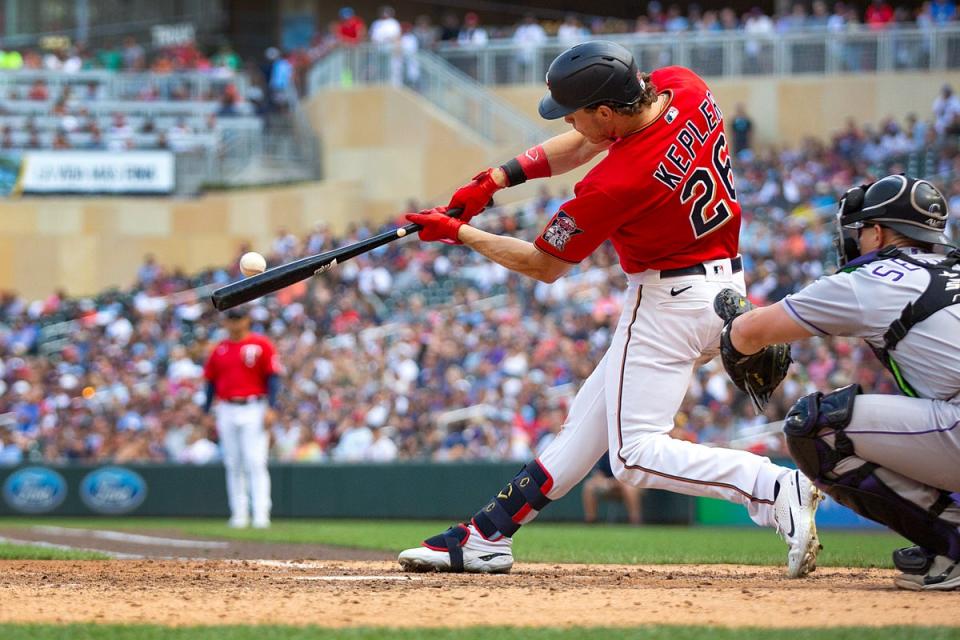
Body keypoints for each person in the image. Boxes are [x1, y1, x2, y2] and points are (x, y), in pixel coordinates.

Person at [397, 41, 821, 577]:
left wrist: (460, 233)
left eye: (577, 113)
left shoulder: (614, 181)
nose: (571, 124)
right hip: (723, 289)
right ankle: (487, 534)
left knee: (634, 454)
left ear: (604, 111)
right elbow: (583, 143)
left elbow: (543, 265)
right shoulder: (684, 87)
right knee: (588, 424)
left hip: (666, 302)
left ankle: (774, 487)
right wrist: (496, 179)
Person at [716, 174, 960, 591]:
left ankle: (952, 545)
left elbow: (750, 334)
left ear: (879, 232)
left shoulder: (876, 277)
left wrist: (734, 322)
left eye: (862, 229)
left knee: (816, 427)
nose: (857, 238)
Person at [203, 306, 280, 528]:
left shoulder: (260, 344)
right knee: (233, 463)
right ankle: (239, 514)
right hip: (226, 407)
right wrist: (206, 411)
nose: (234, 323)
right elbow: (210, 383)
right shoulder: (220, 349)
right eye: (231, 319)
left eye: (238, 318)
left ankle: (261, 514)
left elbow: (272, 378)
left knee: (255, 462)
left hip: (254, 406)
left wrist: (271, 407)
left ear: (247, 320)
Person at [582, 455, 643, 525]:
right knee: (589, 486)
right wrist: (608, 483)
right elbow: (598, 475)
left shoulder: (626, 452)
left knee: (629, 488)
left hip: (628, 485)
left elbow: (630, 476)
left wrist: (614, 482)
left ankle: (635, 521)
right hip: (608, 486)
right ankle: (591, 520)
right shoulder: (603, 455)